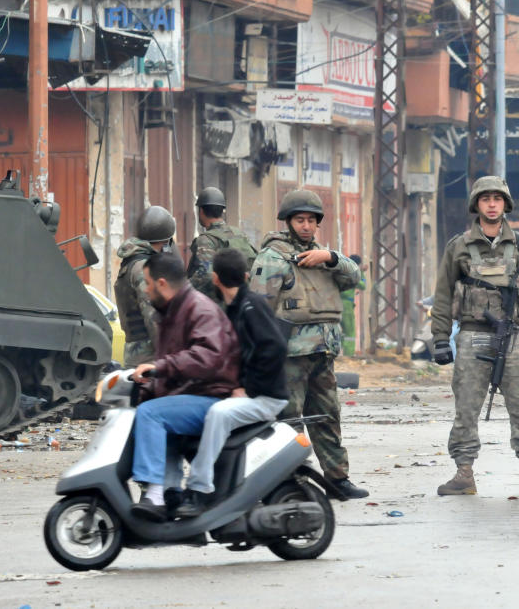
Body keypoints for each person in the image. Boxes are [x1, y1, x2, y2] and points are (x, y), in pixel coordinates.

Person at [249, 189, 368, 499]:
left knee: (328, 417)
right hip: (290, 355)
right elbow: (259, 307)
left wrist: (330, 257)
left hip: (322, 352)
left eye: (311, 220)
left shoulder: (323, 257)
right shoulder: (273, 257)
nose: (305, 226)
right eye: (299, 220)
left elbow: (354, 277)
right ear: (288, 222)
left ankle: (337, 479)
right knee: (289, 421)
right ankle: (289, 482)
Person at [174, 248, 290, 517]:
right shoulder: (235, 308)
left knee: (218, 414)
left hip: (267, 397)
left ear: (215, 278)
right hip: (253, 393)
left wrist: (247, 389)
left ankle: (199, 490)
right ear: (246, 275)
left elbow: (275, 349)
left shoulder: (252, 306)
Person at [128, 252, 241, 521]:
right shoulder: (172, 311)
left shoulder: (198, 309)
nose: (145, 289)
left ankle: (154, 493)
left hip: (212, 396)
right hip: (194, 394)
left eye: (147, 282)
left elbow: (208, 357)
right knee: (148, 410)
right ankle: (170, 494)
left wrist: (160, 368)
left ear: (162, 283)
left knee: (152, 414)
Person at [431, 175, 519, 495]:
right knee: (466, 404)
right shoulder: (459, 246)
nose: (492, 204)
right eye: (486, 199)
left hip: (514, 337)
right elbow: (442, 294)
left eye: (497, 199)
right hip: (472, 334)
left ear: (505, 204)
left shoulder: (518, 244)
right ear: (476, 205)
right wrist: (440, 337)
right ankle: (464, 473)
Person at [114, 206, 176, 366]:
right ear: (166, 241)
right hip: (149, 357)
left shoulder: (130, 263)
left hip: (135, 354)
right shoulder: (144, 268)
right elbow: (153, 317)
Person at [187, 187, 258, 298]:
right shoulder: (239, 234)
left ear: (201, 211)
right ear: (222, 211)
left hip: (219, 303)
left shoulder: (206, 240)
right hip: (241, 299)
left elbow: (204, 275)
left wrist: (182, 290)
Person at [340, 254, 366, 356]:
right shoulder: (353, 274)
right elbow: (363, 286)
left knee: (340, 330)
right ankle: (348, 355)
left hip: (335, 303)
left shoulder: (341, 271)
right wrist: (362, 272)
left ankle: (339, 353)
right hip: (346, 305)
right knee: (349, 332)